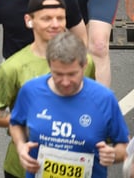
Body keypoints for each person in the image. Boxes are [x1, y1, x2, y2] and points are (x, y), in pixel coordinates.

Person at [0, 0, 95, 178]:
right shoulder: (13, 67)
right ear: (29, 21)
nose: (55, 24)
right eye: (47, 19)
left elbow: (92, 102)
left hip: (75, 163)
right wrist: (33, 123)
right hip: (24, 166)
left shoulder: (85, 62)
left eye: (60, 18)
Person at [10, 33, 128, 178]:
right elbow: (15, 123)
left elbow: (124, 146)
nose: (65, 82)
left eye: (72, 74)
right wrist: (21, 147)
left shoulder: (104, 99)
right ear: (49, 65)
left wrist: (114, 155)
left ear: (84, 65)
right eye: (58, 74)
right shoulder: (31, 91)